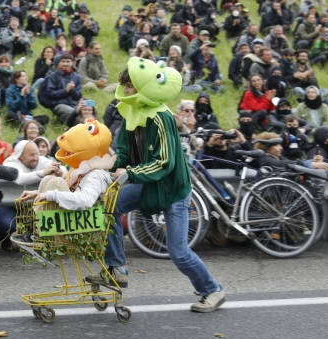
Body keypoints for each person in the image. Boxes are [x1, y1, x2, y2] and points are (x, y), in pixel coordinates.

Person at [83, 58, 225, 312]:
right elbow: (123, 154)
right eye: (124, 85)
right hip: (146, 183)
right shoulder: (130, 113)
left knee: (178, 252)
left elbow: (164, 163)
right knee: (108, 205)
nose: (125, 90)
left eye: (129, 85)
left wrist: (129, 172)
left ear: (141, 86)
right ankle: (116, 269)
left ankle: (212, 290)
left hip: (171, 190)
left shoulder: (162, 117)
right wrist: (97, 167)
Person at [43, 53, 82, 123]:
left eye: (68, 61)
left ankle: (63, 121)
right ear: (60, 63)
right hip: (58, 104)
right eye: (63, 61)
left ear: (73, 63)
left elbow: (78, 96)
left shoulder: (77, 77)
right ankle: (59, 122)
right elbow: (50, 93)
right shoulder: (53, 75)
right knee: (74, 113)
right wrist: (66, 90)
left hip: (73, 104)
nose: (65, 64)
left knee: (86, 112)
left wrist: (72, 90)